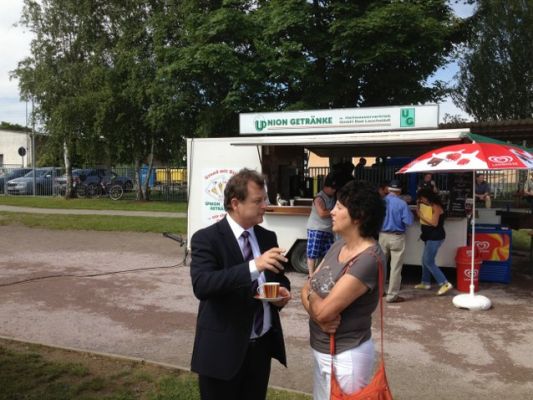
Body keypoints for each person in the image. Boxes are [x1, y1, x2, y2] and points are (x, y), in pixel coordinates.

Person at [190, 168, 291, 400]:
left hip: (260, 349)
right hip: (222, 352)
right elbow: (203, 285)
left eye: (265, 199)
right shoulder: (207, 239)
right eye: (258, 201)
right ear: (235, 203)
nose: (265, 205)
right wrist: (254, 266)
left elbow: (279, 278)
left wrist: (281, 293)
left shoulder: (267, 237)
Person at [301, 181, 386, 399]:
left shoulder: (368, 259)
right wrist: (316, 306)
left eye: (339, 207)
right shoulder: (339, 245)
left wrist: (313, 301)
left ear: (358, 216)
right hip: (322, 348)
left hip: (346, 356)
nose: (332, 212)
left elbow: (322, 310)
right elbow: (306, 288)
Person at [379, 179, 414, 303]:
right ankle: (392, 296)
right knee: (395, 268)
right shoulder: (402, 204)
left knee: (381, 265)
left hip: (382, 236)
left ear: (388, 189)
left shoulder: (381, 202)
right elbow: (408, 221)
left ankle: (379, 291)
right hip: (397, 237)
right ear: (400, 191)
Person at [414, 188, 453, 295]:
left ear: (428, 197)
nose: (422, 200)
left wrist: (421, 216)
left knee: (429, 261)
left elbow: (434, 223)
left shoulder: (436, 206)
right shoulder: (427, 205)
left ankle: (445, 283)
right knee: (424, 260)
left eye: (422, 198)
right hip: (429, 236)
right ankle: (425, 282)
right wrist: (418, 205)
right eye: (420, 199)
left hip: (435, 237)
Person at [306, 173, 337, 275]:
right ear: (326, 187)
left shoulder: (332, 197)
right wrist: (334, 211)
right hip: (316, 229)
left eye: (335, 188)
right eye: (332, 188)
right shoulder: (319, 198)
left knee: (328, 254)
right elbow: (322, 213)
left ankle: (319, 273)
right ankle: (311, 275)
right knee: (313, 253)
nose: (334, 190)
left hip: (328, 230)